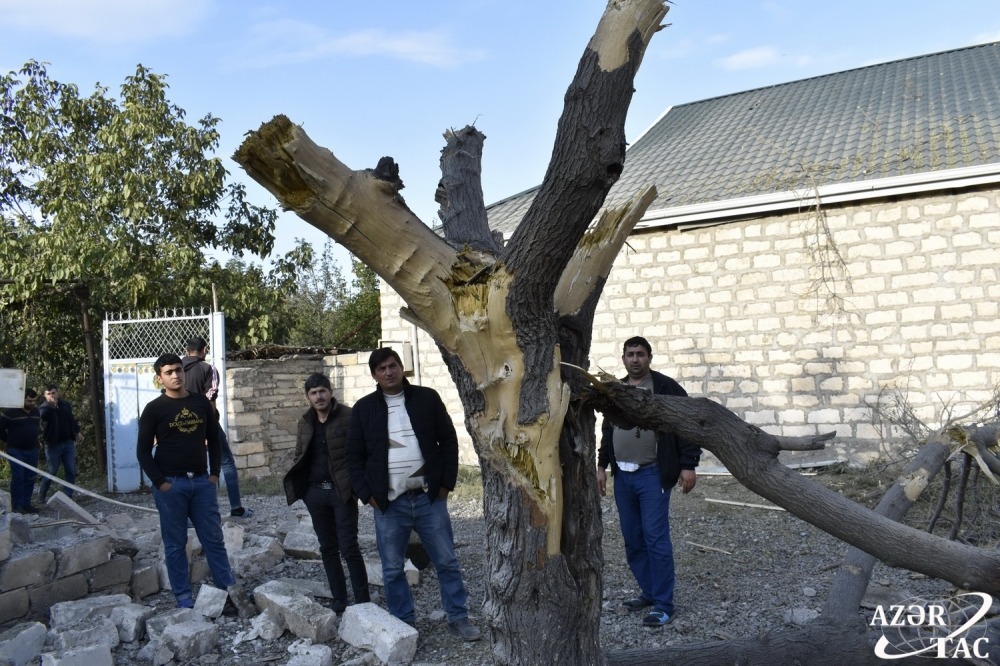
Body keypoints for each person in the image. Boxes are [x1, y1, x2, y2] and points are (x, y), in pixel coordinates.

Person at [345, 348, 481, 641]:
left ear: (401, 367)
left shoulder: (426, 398)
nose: (388, 372)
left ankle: (458, 617)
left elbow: (448, 441)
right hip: (389, 503)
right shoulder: (364, 409)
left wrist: (445, 484)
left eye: (392, 365)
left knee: (446, 561)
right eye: (381, 369)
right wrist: (368, 495)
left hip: (428, 498)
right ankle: (404, 623)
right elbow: (353, 457)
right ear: (374, 375)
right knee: (393, 568)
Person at [136, 353, 255, 617]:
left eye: (178, 370)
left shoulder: (200, 402)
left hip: (202, 483)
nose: (175, 375)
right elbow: (143, 451)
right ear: (160, 378)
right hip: (171, 485)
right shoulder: (154, 409)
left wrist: (214, 475)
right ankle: (183, 597)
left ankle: (228, 588)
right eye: (169, 372)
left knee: (213, 538)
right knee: (175, 543)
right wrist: (160, 483)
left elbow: (214, 440)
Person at [597, 336, 701, 627]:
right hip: (623, 477)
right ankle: (650, 592)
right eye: (630, 354)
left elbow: (689, 424)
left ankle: (664, 604)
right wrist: (601, 465)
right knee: (633, 539)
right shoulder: (615, 390)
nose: (635, 359)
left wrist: (688, 464)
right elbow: (608, 430)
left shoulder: (666, 388)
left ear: (649, 358)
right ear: (623, 358)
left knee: (655, 539)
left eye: (640, 354)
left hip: (652, 474)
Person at [283, 373, 370, 613]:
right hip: (315, 494)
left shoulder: (349, 417)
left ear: (331, 392)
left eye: (322, 391)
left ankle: (363, 601)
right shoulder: (305, 422)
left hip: (342, 492)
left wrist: (356, 487)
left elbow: (361, 453)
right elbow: (299, 454)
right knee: (327, 547)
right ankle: (339, 598)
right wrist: (304, 490)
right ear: (307, 397)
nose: (319, 396)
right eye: (313, 393)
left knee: (349, 546)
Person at [182, 337, 252, 518]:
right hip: (205, 423)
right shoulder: (208, 369)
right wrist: (209, 428)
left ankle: (191, 514)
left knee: (189, 469)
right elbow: (210, 399)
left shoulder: (176, 370)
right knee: (226, 463)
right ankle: (236, 507)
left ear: (187, 351)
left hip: (181, 425)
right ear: (204, 350)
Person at [0, 388, 42, 513]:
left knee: (30, 476)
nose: (32, 403)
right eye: (29, 401)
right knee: (18, 476)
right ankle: (17, 506)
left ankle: (26, 504)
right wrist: (9, 441)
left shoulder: (36, 412)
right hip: (15, 450)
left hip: (32, 450)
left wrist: (36, 442)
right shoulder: (10, 412)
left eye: (34, 401)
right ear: (21, 399)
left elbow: (36, 428)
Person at [37, 384, 80, 502]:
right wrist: (53, 407)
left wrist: (77, 431)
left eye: (53, 393)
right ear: (45, 395)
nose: (51, 396)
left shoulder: (65, 405)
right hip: (53, 444)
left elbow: (71, 419)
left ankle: (68, 496)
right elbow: (44, 416)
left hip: (68, 442)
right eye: (48, 394)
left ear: (57, 393)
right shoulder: (44, 408)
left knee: (71, 470)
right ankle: (42, 495)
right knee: (52, 470)